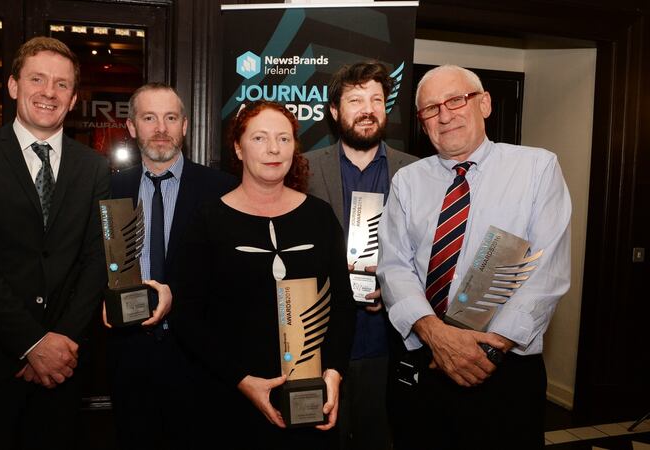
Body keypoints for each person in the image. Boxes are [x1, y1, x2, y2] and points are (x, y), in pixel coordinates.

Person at [378, 64, 571, 450]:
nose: (444, 115)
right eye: (431, 108)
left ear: (484, 104)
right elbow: (394, 267)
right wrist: (438, 337)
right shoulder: (407, 181)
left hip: (505, 368)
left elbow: (546, 271)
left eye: (455, 100)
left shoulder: (537, 168)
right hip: (427, 362)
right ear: (422, 123)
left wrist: (485, 348)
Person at [0, 36, 110, 450]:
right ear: (14, 85)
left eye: (61, 84)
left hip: (64, 365)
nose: (49, 92)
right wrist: (32, 343)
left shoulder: (94, 167)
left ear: (73, 99)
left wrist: (60, 343)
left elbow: (97, 259)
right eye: (37, 79)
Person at [172, 100, 356, 449]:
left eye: (284, 139)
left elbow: (343, 306)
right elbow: (187, 316)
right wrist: (242, 380)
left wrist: (333, 374)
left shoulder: (320, 217)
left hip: (309, 401)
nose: (274, 149)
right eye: (259, 138)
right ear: (238, 148)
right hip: (229, 399)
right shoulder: (208, 220)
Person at [108, 82, 236, 450]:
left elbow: (230, 274)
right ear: (132, 127)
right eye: (149, 118)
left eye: (171, 118)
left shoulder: (223, 189)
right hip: (130, 354)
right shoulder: (112, 187)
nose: (161, 128)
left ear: (185, 125)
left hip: (197, 356)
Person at [306, 61, 417, 450]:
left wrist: (394, 287)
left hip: (387, 344)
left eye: (376, 100)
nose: (368, 109)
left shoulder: (415, 172)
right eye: (355, 100)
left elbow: (429, 255)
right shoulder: (304, 168)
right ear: (335, 111)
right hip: (319, 341)